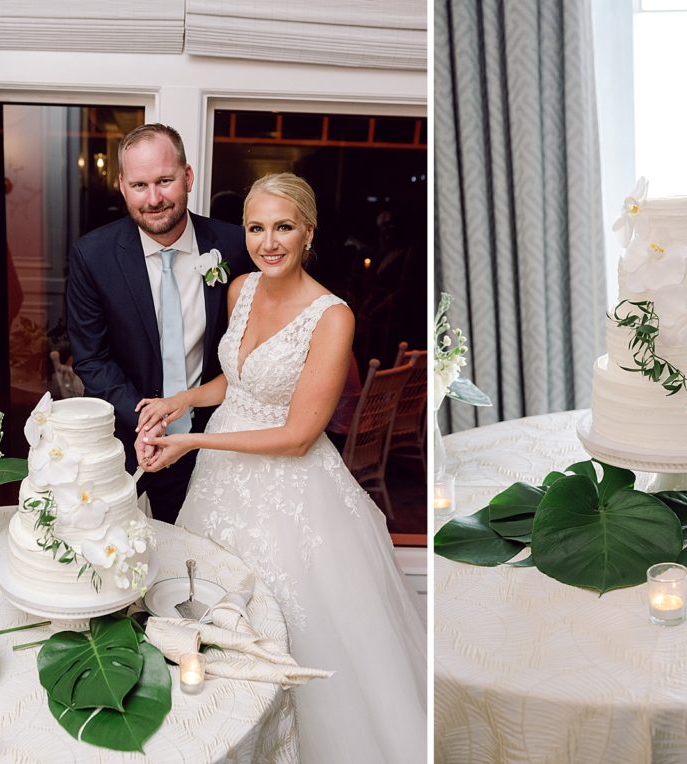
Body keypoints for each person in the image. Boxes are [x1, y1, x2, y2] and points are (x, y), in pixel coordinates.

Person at [134, 173, 426, 762]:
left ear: (308, 233)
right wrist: (182, 402)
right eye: (257, 227)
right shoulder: (240, 289)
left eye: (283, 227)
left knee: (292, 632)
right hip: (220, 477)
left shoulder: (331, 317)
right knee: (209, 619)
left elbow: (297, 437)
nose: (269, 242)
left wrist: (190, 446)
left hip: (290, 491)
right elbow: (236, 381)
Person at [66, 123, 253, 523]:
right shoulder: (92, 256)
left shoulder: (235, 247)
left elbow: (251, 347)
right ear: (121, 186)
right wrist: (144, 420)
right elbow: (91, 360)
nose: (153, 199)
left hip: (213, 437)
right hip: (125, 437)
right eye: (139, 185)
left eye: (165, 181)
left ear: (187, 177)